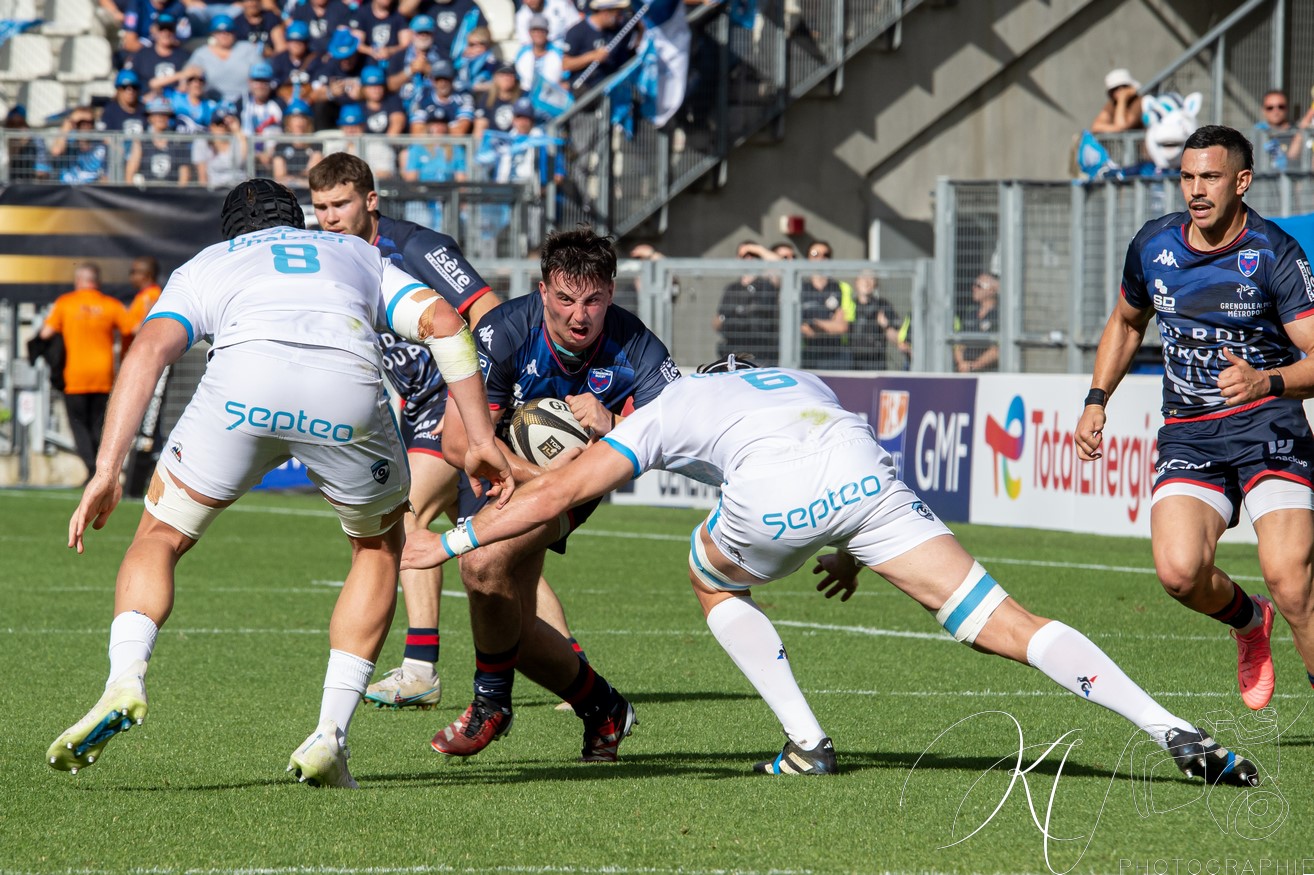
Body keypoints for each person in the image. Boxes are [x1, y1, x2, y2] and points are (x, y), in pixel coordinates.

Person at [405, 355, 1263, 785]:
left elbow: (556, 490)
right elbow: (840, 456)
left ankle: (807, 743)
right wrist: (850, 542)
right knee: (1006, 618)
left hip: (780, 501)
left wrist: (444, 545)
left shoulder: (663, 412)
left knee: (709, 573)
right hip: (864, 476)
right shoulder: (786, 375)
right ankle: (1170, 728)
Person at [45, 178, 512, 789]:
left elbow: (147, 351)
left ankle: (125, 677)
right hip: (343, 389)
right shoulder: (356, 253)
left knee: (157, 536)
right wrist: (479, 439)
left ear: (232, 230)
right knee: (376, 549)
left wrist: (108, 470)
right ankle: (329, 736)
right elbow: (447, 324)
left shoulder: (207, 263)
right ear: (300, 220)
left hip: (241, 386)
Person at [307, 153, 587, 710]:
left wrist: (488, 403)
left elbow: (486, 311)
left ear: (370, 201)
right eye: (319, 208)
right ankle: (571, 663)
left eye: (339, 204)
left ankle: (419, 666)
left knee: (402, 513)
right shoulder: (331, 257)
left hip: (456, 401)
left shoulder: (417, 248)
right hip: (414, 404)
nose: (329, 218)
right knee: (491, 538)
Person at [1076, 124, 1314, 713]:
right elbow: (1128, 323)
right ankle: (1248, 620)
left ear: (1242, 181)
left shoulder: (1275, 254)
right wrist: (1096, 398)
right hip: (1190, 433)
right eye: (1187, 176)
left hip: (1270, 429)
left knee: (1290, 580)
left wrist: (1268, 381)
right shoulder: (1154, 246)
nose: (1196, 190)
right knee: (1180, 573)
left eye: (1210, 177)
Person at [426, 226, 680, 761]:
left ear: (611, 293)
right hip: (501, 472)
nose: (578, 315)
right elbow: (455, 439)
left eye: (592, 300)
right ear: (543, 292)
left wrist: (613, 424)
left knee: (480, 564)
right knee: (504, 611)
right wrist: (535, 479)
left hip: (576, 488)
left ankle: (490, 702)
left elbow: (679, 434)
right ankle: (603, 708)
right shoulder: (504, 331)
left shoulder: (637, 347)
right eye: (564, 299)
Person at [37, 262, 137, 480]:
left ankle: (92, 469)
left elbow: (45, 333)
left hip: (75, 377)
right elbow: (132, 327)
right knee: (99, 426)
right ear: (97, 282)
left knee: (79, 426)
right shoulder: (110, 304)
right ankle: (100, 470)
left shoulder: (66, 303)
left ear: (78, 281)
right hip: (103, 376)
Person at [713, 240, 779, 365]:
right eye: (744, 256)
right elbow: (717, 320)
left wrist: (755, 248)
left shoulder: (767, 284)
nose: (749, 258)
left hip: (760, 354)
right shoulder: (731, 288)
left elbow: (781, 265)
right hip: (733, 352)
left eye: (753, 255)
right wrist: (724, 320)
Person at [800, 240, 850, 370]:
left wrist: (813, 324)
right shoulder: (799, 289)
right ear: (808, 259)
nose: (821, 258)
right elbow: (800, 329)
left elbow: (842, 326)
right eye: (815, 254)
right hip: (807, 356)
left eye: (826, 255)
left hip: (838, 356)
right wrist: (830, 324)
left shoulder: (842, 288)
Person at [125, 98, 194, 185]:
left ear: (169, 117)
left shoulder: (178, 141)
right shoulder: (141, 141)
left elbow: (184, 175)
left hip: (172, 192)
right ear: (150, 117)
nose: (160, 117)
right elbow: (130, 171)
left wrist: (179, 195)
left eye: (164, 114)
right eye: (156, 114)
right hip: (146, 193)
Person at [848, 271, 903, 371]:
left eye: (871, 278)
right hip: (851, 362)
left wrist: (886, 326)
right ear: (856, 282)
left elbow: (898, 339)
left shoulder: (883, 305)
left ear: (876, 284)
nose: (866, 282)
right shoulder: (850, 305)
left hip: (876, 363)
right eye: (863, 278)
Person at [954, 271, 999, 373]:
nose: (974, 288)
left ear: (992, 290)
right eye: (974, 284)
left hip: (987, 373)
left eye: (979, 286)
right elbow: (959, 344)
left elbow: (996, 350)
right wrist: (962, 364)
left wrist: (973, 366)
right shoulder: (971, 313)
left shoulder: (998, 316)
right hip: (964, 371)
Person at [1253, 89, 1302, 172]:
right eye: (1270, 108)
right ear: (1263, 110)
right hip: (1263, 183)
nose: (1276, 111)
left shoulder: (1299, 132)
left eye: (1281, 107)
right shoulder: (1257, 132)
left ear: (1287, 108)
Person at [1089, 67, 1144, 134]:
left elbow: (1122, 125)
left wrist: (1122, 99)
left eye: (1123, 87)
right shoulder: (1113, 104)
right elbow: (1096, 126)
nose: (1119, 91)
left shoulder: (1139, 102)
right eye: (1114, 89)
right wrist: (1116, 128)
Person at [125, 256, 163, 330]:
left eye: (133, 272)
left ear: (146, 274)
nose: (131, 276)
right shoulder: (144, 294)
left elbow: (146, 328)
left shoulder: (152, 295)